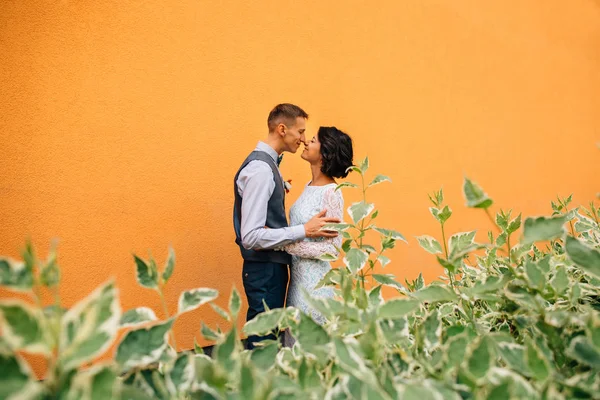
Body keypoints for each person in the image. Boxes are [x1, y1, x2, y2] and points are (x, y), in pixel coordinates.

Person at [233, 103, 340, 349]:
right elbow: (251, 236)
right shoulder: (261, 170)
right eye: (301, 132)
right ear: (282, 129)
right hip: (266, 270)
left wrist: (278, 188)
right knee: (263, 344)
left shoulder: (268, 167)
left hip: (280, 273)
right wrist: (303, 231)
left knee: (269, 341)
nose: (303, 139)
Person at [282, 126, 354, 347]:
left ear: (325, 154)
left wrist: (286, 245)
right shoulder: (309, 186)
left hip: (315, 289)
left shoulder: (332, 192)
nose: (306, 142)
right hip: (296, 285)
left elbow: (332, 249)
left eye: (312, 141)